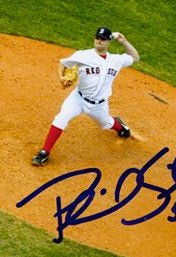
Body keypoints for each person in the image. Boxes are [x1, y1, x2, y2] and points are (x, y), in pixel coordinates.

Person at [31, 26, 140, 166]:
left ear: (108, 42)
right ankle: (44, 152)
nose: (99, 41)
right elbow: (63, 64)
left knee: (106, 123)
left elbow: (135, 58)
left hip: (99, 105)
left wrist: (124, 41)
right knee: (61, 118)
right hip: (77, 98)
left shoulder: (116, 60)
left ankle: (121, 127)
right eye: (97, 38)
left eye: (103, 39)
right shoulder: (83, 55)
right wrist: (61, 78)